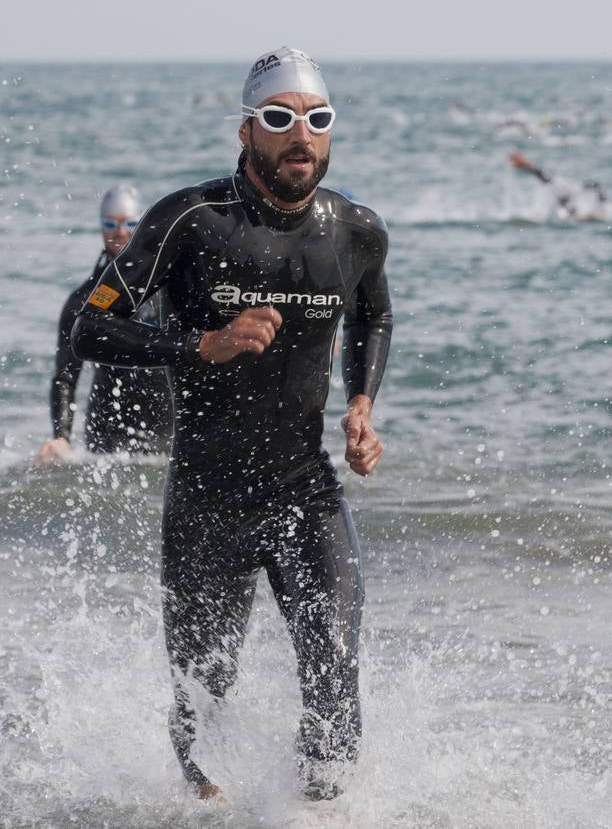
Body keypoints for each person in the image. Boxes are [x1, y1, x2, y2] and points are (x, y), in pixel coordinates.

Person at [70, 47, 393, 802]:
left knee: (335, 670)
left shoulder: (355, 230)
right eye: (278, 119)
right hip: (207, 500)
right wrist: (200, 345)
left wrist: (362, 405)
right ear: (247, 132)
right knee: (202, 712)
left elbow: (375, 311)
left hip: (304, 490)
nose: (299, 136)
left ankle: (319, 814)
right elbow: (91, 326)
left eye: (316, 119)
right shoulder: (191, 220)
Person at [36, 185, 172, 464]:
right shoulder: (82, 301)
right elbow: (65, 375)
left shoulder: (166, 290)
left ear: (141, 225)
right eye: (111, 223)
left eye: (129, 223)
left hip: (166, 432)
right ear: (101, 227)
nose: (119, 232)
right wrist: (61, 435)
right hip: (107, 436)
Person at [509, 151, 612, 222]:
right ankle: (602, 208)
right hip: (566, 193)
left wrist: (524, 164)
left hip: (565, 193)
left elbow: (538, 173)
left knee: (572, 208)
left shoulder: (556, 187)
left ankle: (602, 208)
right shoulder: (560, 188)